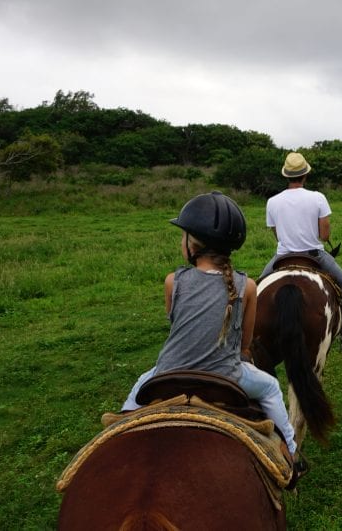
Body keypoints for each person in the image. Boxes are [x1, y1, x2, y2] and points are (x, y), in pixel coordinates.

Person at [118, 191, 301, 465]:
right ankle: (291, 449)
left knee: (130, 406)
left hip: (169, 372)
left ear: (193, 245)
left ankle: (118, 436)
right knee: (271, 387)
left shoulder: (173, 281)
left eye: (184, 237)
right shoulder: (247, 286)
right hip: (226, 376)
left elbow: (176, 324)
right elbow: (244, 345)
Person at [259, 152, 342, 353]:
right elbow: (324, 236)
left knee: (256, 289)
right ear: (305, 175)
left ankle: (246, 339)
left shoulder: (272, 201)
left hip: (283, 256)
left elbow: (278, 235)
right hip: (314, 254)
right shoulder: (318, 198)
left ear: (286, 176)